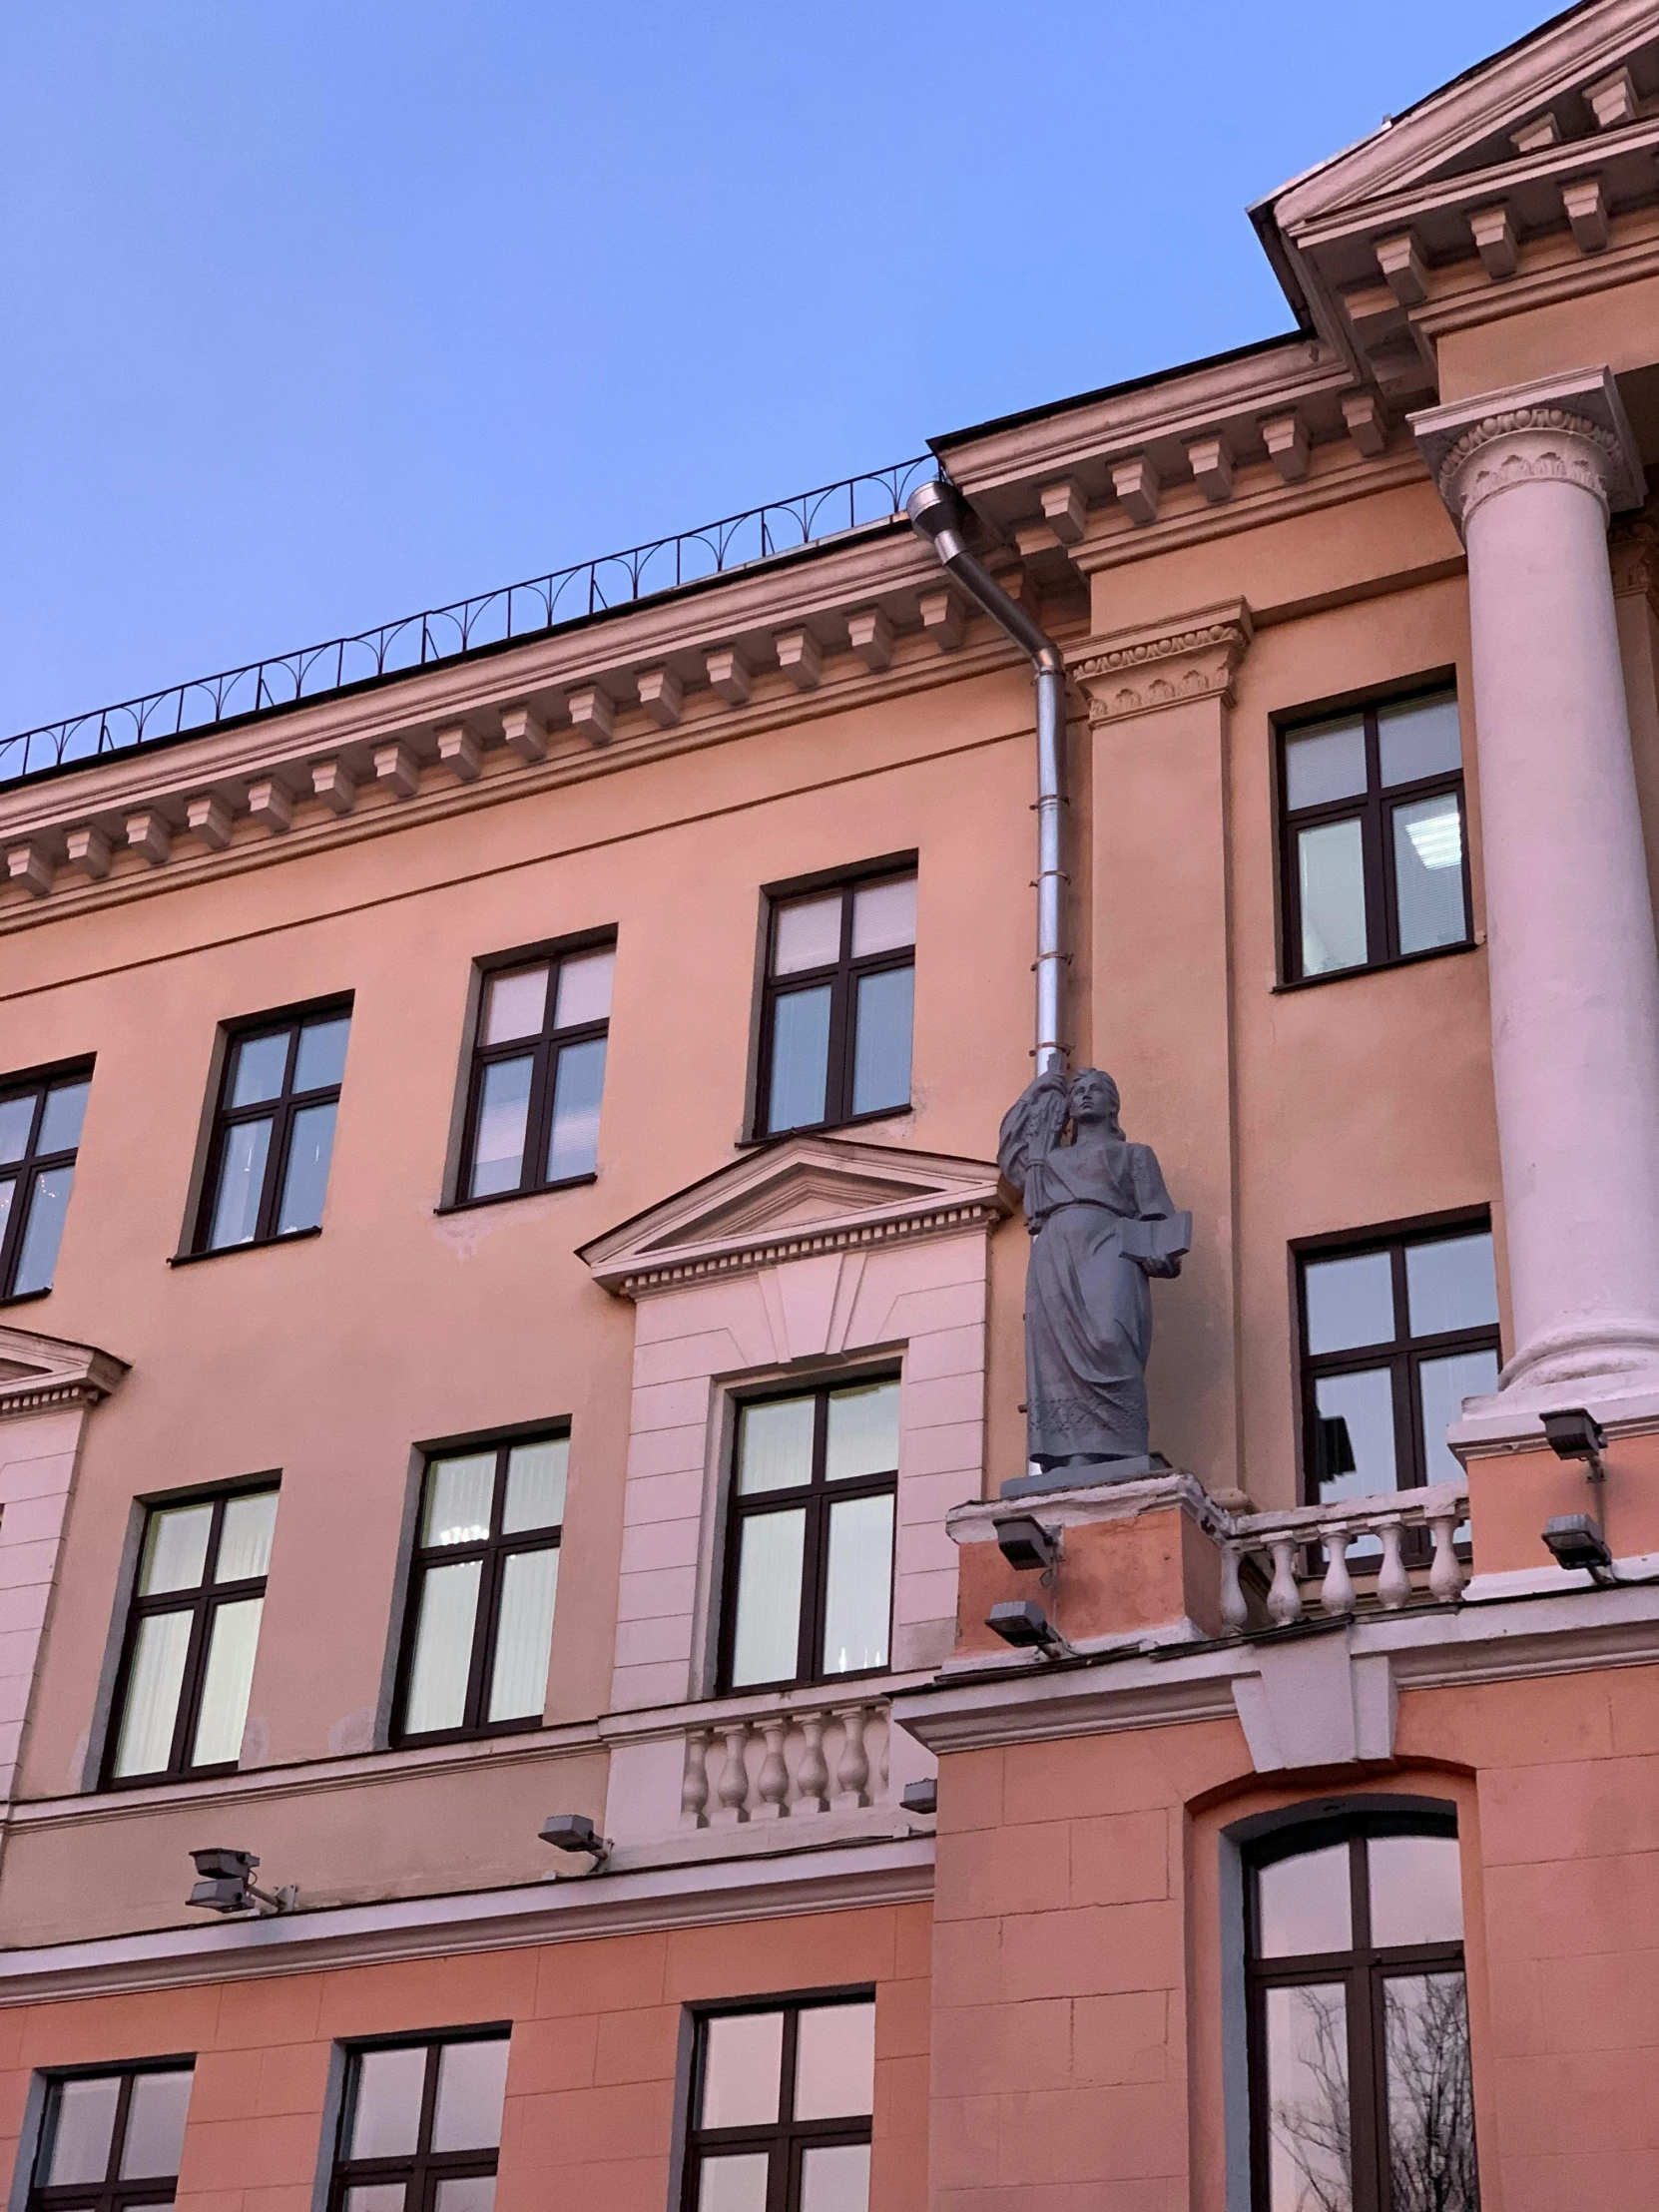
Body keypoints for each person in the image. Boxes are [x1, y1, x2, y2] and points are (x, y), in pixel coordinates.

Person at [997, 1065, 1191, 1474]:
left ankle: (1123, 1450)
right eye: (1078, 1091)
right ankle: (1074, 1456)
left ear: (1112, 1104)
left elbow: (1156, 1214)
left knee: (1110, 1337)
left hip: (1110, 1247)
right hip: (1054, 1255)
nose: (1084, 1096)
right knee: (1056, 1359)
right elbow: (1009, 1153)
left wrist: (1160, 1252)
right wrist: (1037, 1090)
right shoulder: (1045, 1162)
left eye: (1095, 1090)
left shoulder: (1133, 1155)